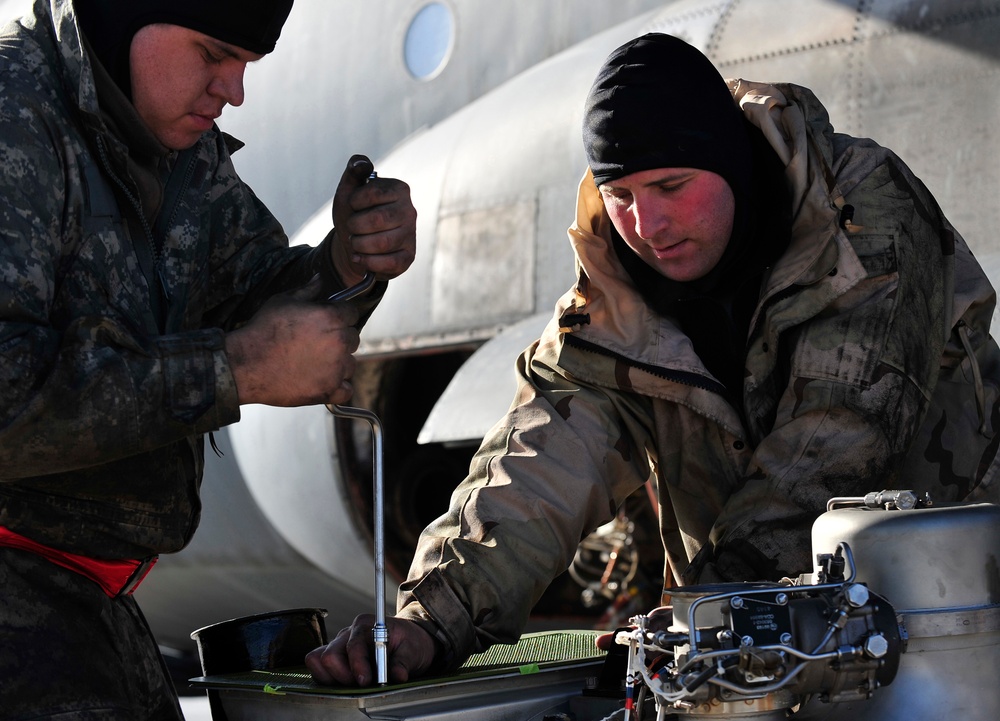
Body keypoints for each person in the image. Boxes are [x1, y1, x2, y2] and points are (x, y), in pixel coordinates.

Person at [305, 33, 1000, 687]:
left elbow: (834, 445)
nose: (648, 226)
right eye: (622, 196)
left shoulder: (860, 216)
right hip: (763, 657)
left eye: (672, 186)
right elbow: (537, 467)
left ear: (730, 161)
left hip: (962, 622)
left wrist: (699, 619)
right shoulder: (613, 301)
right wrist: (430, 621)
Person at [0, 0, 415, 718]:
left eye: (246, 64)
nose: (234, 90)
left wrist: (347, 263)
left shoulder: (176, 148)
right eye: (213, 54)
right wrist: (234, 371)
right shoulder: (16, 113)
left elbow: (258, 307)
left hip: (93, 609)